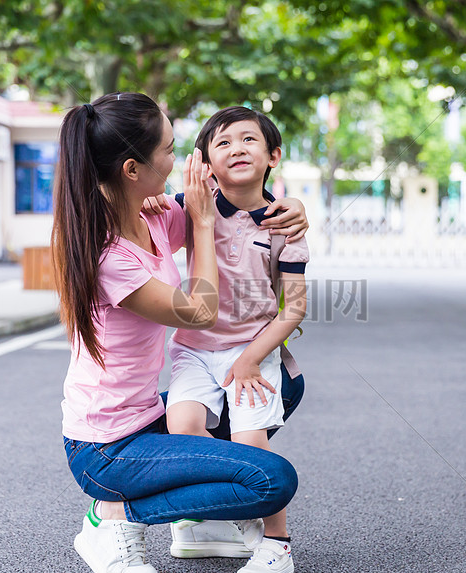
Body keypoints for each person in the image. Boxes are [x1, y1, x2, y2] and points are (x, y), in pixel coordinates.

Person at [52, 93, 307, 573]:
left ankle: (199, 524)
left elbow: (235, 206)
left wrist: (290, 207)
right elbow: (201, 312)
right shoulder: (110, 257)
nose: (181, 160)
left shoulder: (151, 217)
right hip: (106, 448)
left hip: (146, 415)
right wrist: (205, 227)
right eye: (171, 150)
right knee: (270, 481)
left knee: (282, 385)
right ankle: (110, 516)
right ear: (133, 169)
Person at [162, 106, 308, 573]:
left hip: (254, 349)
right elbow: (141, 211)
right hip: (194, 350)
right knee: (182, 429)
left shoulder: (285, 224)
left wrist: (249, 361)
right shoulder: (189, 206)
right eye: (222, 143)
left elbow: (296, 308)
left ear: (274, 156)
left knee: (249, 444)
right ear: (205, 161)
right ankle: (221, 519)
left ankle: (278, 543)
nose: (237, 149)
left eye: (248, 140)